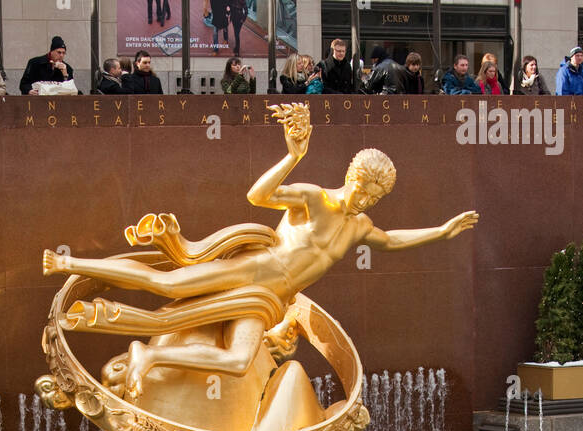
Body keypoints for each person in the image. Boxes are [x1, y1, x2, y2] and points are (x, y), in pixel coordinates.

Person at [47, 110, 477, 398]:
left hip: (268, 302)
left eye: (377, 196)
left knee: (236, 361)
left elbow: (392, 241)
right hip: (252, 271)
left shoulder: (359, 227)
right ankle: (71, 263)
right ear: (351, 176)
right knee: (165, 282)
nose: (368, 199)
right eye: (366, 187)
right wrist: (292, 156)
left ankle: (150, 355)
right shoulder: (314, 198)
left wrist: (440, 232)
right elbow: (258, 195)